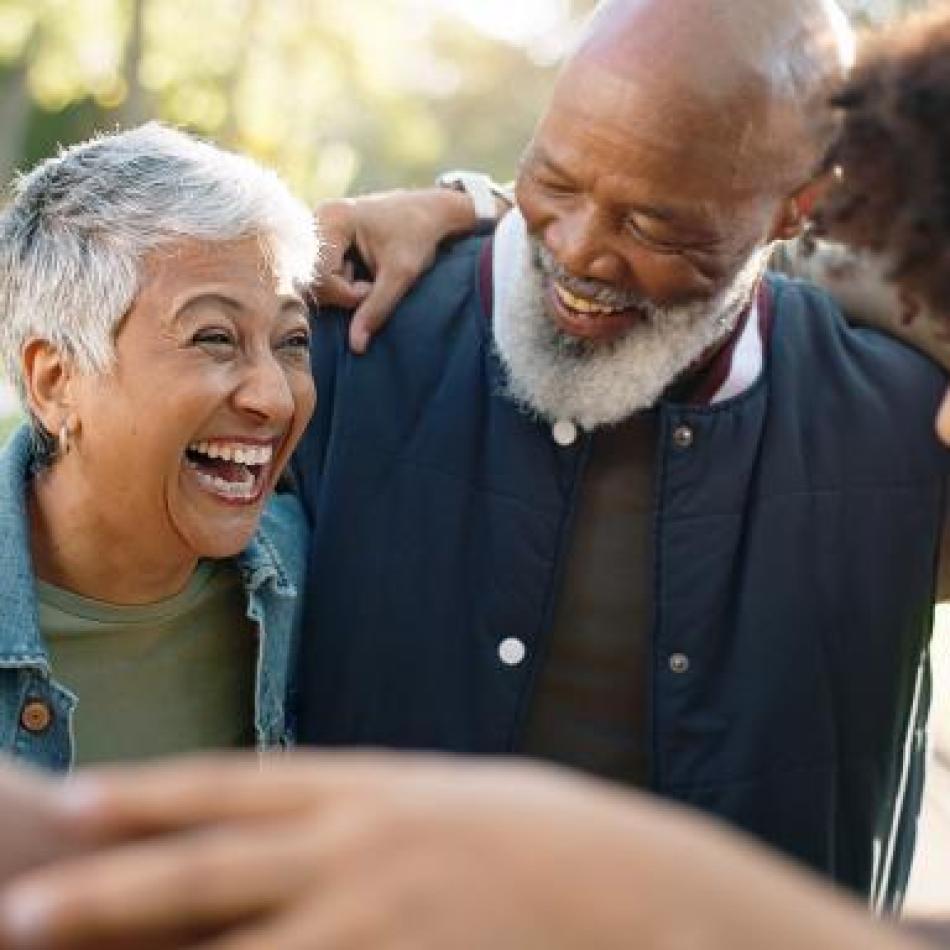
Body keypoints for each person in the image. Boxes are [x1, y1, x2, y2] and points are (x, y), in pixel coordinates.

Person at [2, 2, 950, 948]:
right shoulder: (346, 346)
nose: (579, 251)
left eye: (657, 224)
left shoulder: (902, 425)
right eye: (553, 179)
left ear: (797, 207)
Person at [0, 122, 317, 772]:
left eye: (291, 342)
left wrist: (466, 201)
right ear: (56, 382)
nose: (276, 399)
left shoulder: (313, 572)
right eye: (214, 338)